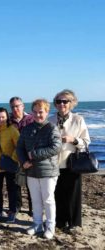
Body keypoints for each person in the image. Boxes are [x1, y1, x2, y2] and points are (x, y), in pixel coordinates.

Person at [16, 99, 62, 240]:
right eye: (35, 112)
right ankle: (37, 224)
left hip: (48, 171)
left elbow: (56, 147)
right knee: (35, 199)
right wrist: (23, 161)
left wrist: (34, 154)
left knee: (48, 200)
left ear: (47, 112)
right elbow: (20, 147)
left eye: (41, 112)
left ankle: (50, 226)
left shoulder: (52, 128)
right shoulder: (27, 128)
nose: (37, 115)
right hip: (31, 170)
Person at [49, 89, 91, 233]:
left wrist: (73, 140)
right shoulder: (50, 120)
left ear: (71, 103)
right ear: (55, 104)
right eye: (59, 101)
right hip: (54, 163)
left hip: (72, 163)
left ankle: (74, 222)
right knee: (57, 193)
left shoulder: (78, 120)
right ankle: (60, 221)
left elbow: (86, 142)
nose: (62, 104)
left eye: (65, 101)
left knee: (73, 194)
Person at [9, 97, 34, 216]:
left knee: (31, 183)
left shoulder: (31, 119)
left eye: (17, 106)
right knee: (16, 183)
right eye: (13, 106)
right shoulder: (8, 120)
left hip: (29, 156)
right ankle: (17, 206)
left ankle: (32, 208)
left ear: (23, 106)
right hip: (14, 156)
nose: (15, 109)